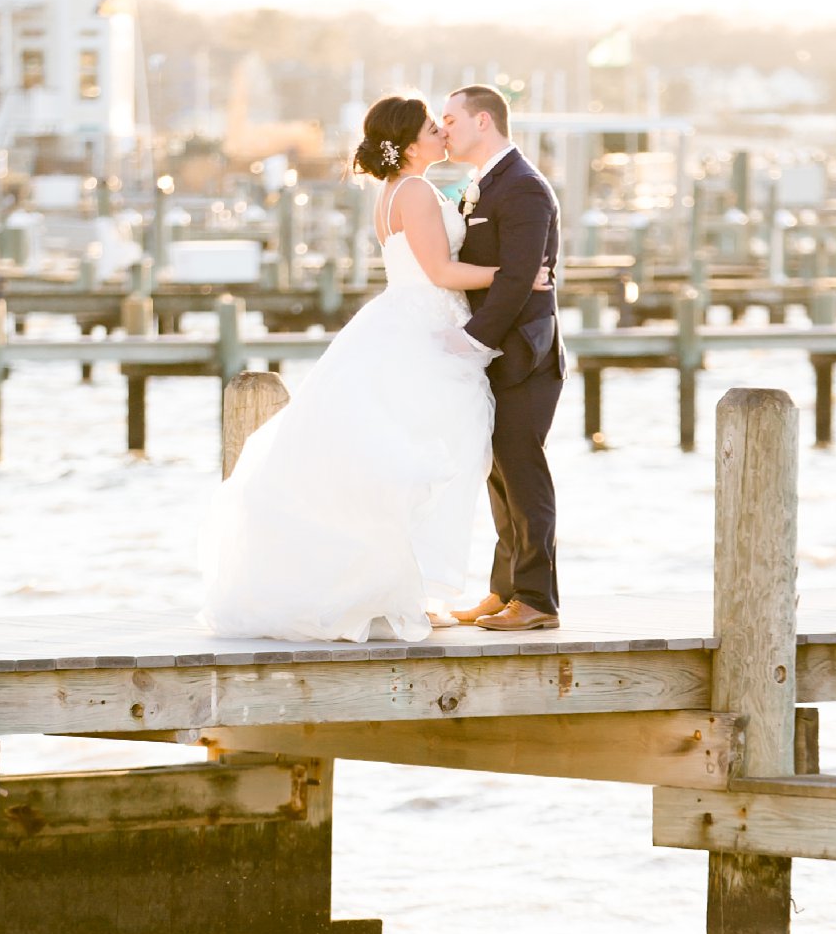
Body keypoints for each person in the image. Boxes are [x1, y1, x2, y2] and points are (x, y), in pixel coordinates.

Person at [199, 93, 547, 644]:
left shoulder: (391, 192)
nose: (442, 134)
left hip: (398, 322)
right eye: (434, 127)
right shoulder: (417, 191)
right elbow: (440, 270)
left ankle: (400, 589)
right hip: (425, 328)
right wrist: (515, 275)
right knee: (419, 465)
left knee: (397, 465)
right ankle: (400, 592)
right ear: (410, 144)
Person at [439, 86, 565, 632]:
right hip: (497, 356)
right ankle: (505, 589)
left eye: (450, 119)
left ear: (482, 120)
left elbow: (519, 279)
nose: (443, 130)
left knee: (524, 472)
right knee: (499, 477)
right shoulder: (485, 184)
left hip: (524, 356)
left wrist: (472, 340)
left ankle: (538, 600)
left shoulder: (524, 188)